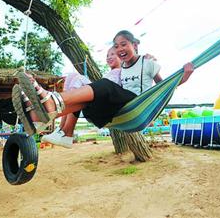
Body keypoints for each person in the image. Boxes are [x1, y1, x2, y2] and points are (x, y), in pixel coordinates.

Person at [12, 30, 194, 147]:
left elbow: (165, 85)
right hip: (112, 111)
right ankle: (41, 118)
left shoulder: (147, 63)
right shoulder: (120, 68)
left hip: (137, 104)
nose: (120, 49)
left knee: (105, 86)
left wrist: (184, 76)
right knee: (85, 96)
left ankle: (52, 101)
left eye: (124, 44)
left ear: (135, 45)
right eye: (117, 46)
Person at [41, 47, 122, 147]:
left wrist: (146, 58)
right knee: (71, 76)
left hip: (107, 101)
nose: (109, 57)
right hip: (100, 97)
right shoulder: (110, 73)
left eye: (113, 54)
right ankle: (61, 129)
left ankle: (66, 131)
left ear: (121, 57)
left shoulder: (122, 71)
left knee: (78, 80)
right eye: (107, 55)